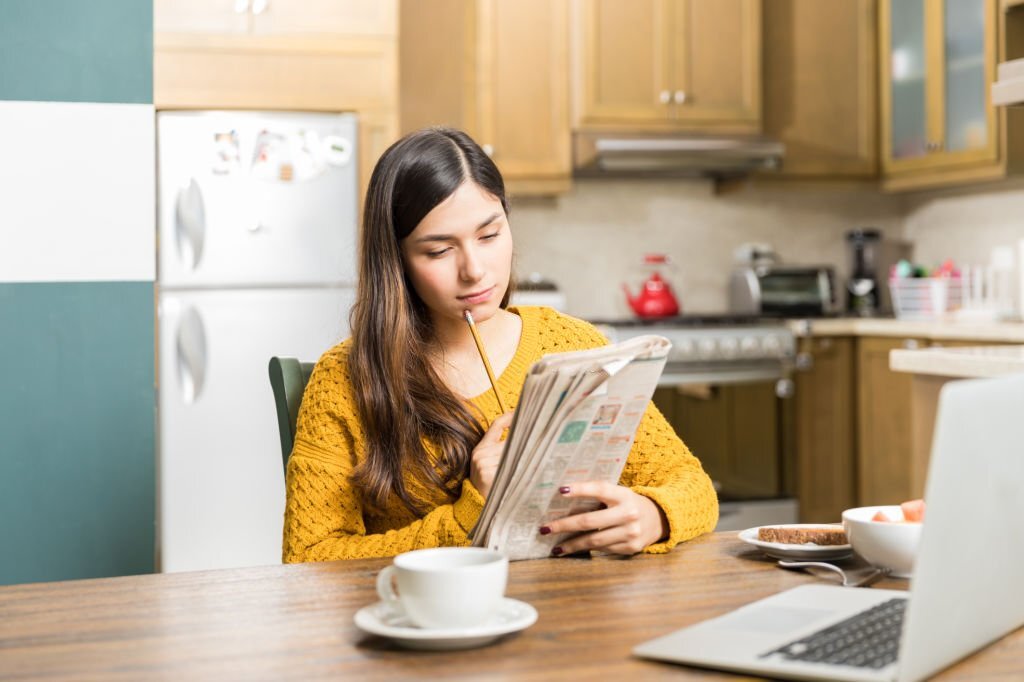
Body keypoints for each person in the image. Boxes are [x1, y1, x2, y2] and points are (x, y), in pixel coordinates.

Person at [282, 127, 718, 562]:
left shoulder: (574, 346)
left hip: (574, 617)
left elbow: (690, 484)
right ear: (396, 261)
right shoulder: (344, 378)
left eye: (489, 236)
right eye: (438, 251)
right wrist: (471, 509)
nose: (474, 270)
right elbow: (309, 559)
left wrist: (653, 514)